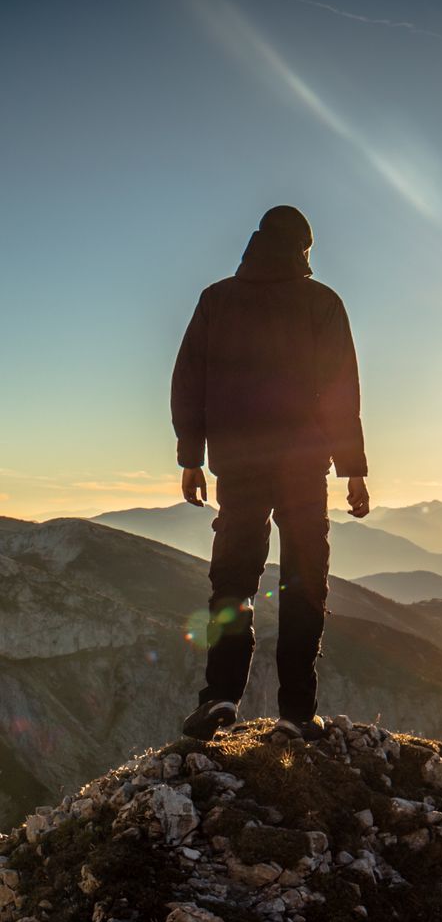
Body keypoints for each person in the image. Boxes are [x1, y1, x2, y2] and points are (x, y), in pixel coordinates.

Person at [171, 205, 369, 741]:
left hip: (237, 463)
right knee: (305, 579)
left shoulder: (217, 299)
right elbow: (341, 392)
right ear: (304, 248)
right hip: (304, 465)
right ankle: (297, 712)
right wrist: (352, 469)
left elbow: (188, 379)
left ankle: (219, 698)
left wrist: (191, 457)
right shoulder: (322, 302)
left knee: (232, 578)